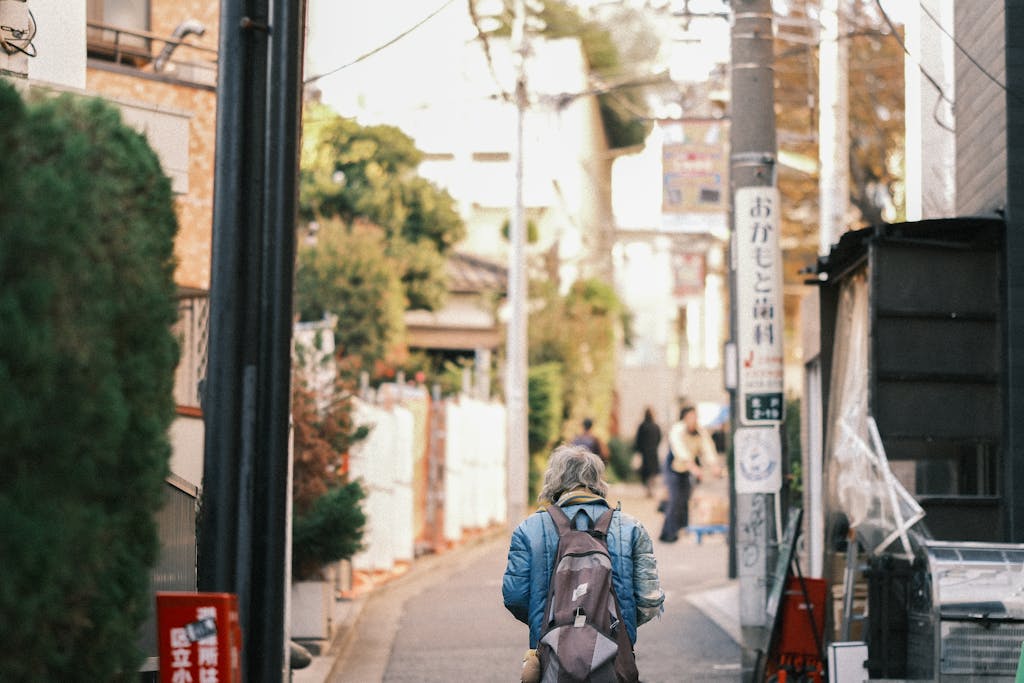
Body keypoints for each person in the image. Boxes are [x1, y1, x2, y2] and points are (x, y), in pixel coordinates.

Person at [502, 445, 664, 679]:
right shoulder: (631, 528)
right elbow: (650, 600)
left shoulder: (528, 530)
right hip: (615, 660)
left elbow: (515, 596)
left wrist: (552, 622)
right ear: (598, 480)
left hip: (552, 659)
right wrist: (615, 624)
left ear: (554, 480)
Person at [659, 405, 718, 543]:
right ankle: (668, 533)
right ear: (685, 418)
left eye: (695, 416)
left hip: (688, 467)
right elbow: (679, 450)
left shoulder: (700, 431)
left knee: (685, 498)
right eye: (691, 416)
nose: (694, 419)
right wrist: (693, 468)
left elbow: (707, 448)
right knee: (674, 499)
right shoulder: (677, 429)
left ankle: (682, 528)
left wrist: (714, 465)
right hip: (674, 466)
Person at [633, 407, 662, 498]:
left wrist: (638, 450)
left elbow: (638, 440)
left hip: (644, 453)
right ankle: (651, 488)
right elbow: (659, 438)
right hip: (653, 453)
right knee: (652, 473)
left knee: (645, 473)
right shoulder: (656, 426)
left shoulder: (642, 426)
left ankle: (648, 489)